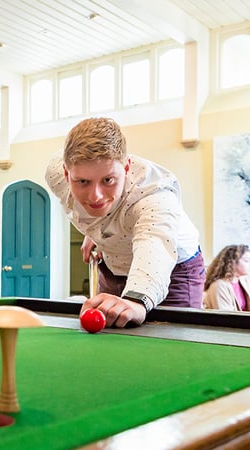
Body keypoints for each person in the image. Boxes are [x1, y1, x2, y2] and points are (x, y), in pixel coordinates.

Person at [45, 117, 204, 328]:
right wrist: (95, 231)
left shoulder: (155, 196)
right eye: (83, 182)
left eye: (108, 180)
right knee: (111, 335)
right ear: (66, 173)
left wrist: (137, 301)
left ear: (127, 167)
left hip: (174, 269)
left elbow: (154, 243)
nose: (95, 197)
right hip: (114, 265)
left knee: (173, 346)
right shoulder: (56, 175)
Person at [203, 244, 250, 311]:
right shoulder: (219, 286)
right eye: (247, 261)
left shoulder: (244, 280)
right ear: (233, 261)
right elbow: (227, 318)